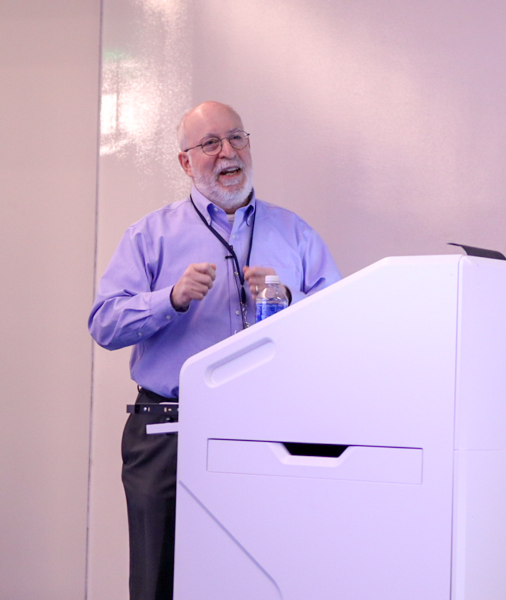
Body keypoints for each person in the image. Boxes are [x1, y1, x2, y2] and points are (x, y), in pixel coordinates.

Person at [88, 101, 341, 600]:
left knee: (264, 575)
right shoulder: (149, 236)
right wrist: (171, 299)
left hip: (272, 428)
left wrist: (288, 298)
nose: (228, 153)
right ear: (185, 162)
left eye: (237, 139)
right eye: (210, 144)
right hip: (169, 430)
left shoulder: (294, 233)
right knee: (159, 576)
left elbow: (344, 322)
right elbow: (104, 323)